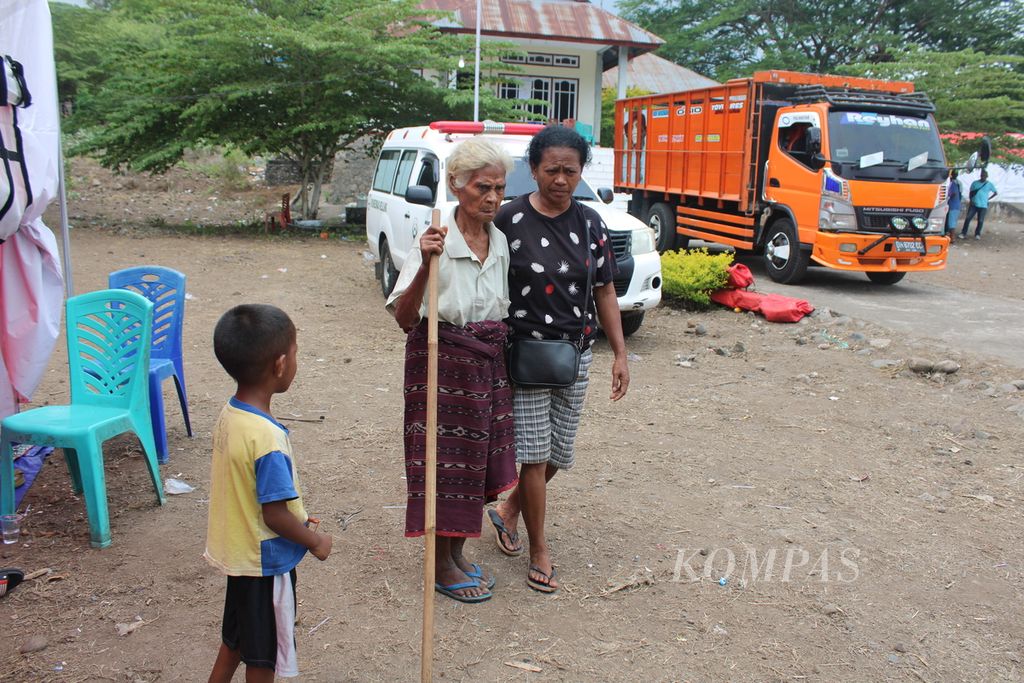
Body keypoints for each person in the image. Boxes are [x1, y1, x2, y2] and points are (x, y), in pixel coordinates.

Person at [489, 125, 630, 594]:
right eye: (551, 170)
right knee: (533, 456)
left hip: (576, 352)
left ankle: (509, 510)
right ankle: (540, 549)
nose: (561, 179)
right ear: (532, 170)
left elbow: (605, 288)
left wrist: (620, 354)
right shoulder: (507, 219)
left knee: (558, 455)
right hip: (523, 354)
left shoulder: (592, 222)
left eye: (570, 170)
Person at [387, 137, 517, 604]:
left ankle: (457, 553)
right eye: (483, 187)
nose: (493, 198)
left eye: (500, 188)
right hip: (442, 366)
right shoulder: (435, 241)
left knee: (476, 466)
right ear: (456, 186)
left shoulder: (499, 240)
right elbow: (404, 318)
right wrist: (424, 263)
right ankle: (440, 565)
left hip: (487, 367)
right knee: (442, 467)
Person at [206, 304, 333, 682]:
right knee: (264, 659)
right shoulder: (268, 439)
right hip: (265, 564)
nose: (297, 361)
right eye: (296, 353)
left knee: (235, 642)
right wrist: (314, 540)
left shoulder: (231, 414)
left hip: (239, 556)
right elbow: (273, 515)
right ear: (279, 365)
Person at [961, 169, 998, 240]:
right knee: (968, 218)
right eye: (982, 175)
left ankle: (977, 234)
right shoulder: (975, 183)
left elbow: (995, 193)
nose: (983, 177)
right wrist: (971, 200)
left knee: (980, 220)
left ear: (987, 176)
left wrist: (988, 199)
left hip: (983, 205)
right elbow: (971, 193)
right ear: (980, 176)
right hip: (974, 204)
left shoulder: (989, 184)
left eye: (984, 176)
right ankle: (963, 233)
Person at [945, 169, 962, 237]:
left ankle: (952, 237)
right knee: (950, 222)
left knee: (951, 222)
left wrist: (947, 196)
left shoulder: (953, 184)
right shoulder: (953, 184)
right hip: (954, 205)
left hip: (953, 206)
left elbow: (954, 194)